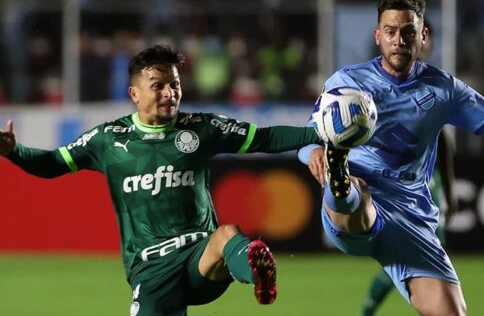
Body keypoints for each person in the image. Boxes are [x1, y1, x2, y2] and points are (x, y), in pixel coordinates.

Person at [0, 44, 321, 316]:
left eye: (175, 85)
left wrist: (319, 133)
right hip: (151, 268)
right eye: (158, 86)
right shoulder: (107, 140)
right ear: (135, 94)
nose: (170, 93)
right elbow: (54, 163)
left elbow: (265, 138)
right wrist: (15, 152)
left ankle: (258, 277)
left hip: (199, 256)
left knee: (227, 235)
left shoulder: (202, 128)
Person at [298, 0, 484, 316]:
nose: (398, 40)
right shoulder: (347, 83)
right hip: (362, 202)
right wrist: (316, 151)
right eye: (390, 31)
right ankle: (340, 182)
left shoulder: (443, 89)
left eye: (407, 32)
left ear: (423, 35)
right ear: (378, 36)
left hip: (411, 217)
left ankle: (343, 184)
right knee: (356, 192)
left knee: (454, 313)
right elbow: (308, 137)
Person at [360, 18, 459, 316]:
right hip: (402, 182)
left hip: (429, 182)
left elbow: (443, 143)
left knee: (425, 253)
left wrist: (449, 190)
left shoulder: (434, 82)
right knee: (417, 254)